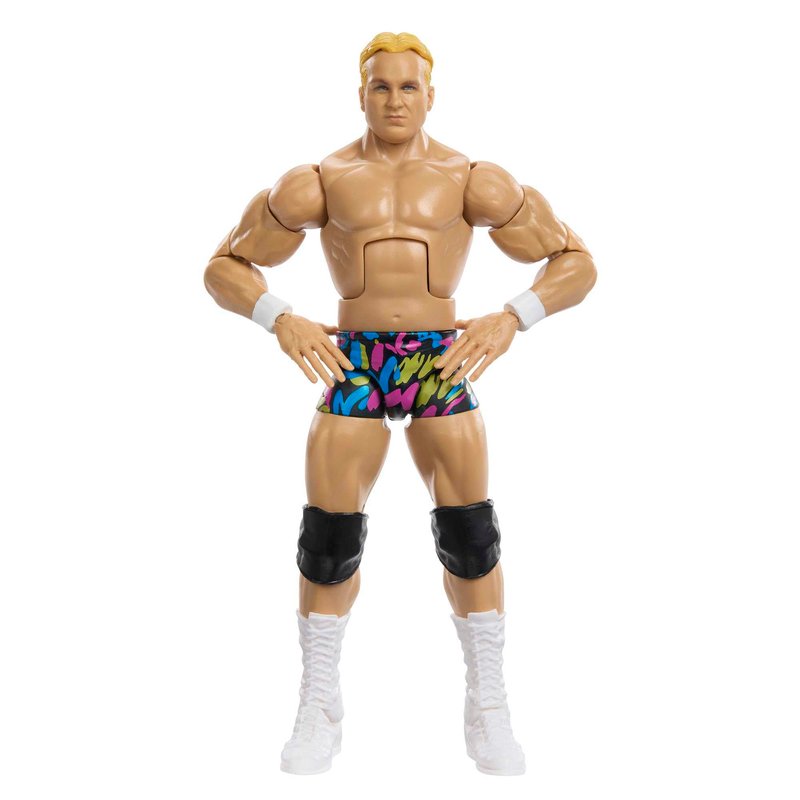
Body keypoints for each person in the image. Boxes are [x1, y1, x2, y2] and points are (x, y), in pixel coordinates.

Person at [203, 31, 596, 776]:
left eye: (407, 87)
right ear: (361, 95)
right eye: (380, 87)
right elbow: (224, 266)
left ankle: (489, 706)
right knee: (328, 539)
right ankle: (318, 705)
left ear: (430, 95)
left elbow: (575, 261)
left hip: (438, 359)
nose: (394, 100)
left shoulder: (472, 180)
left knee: (470, 534)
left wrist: (511, 317)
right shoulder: (318, 182)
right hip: (353, 359)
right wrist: (279, 317)